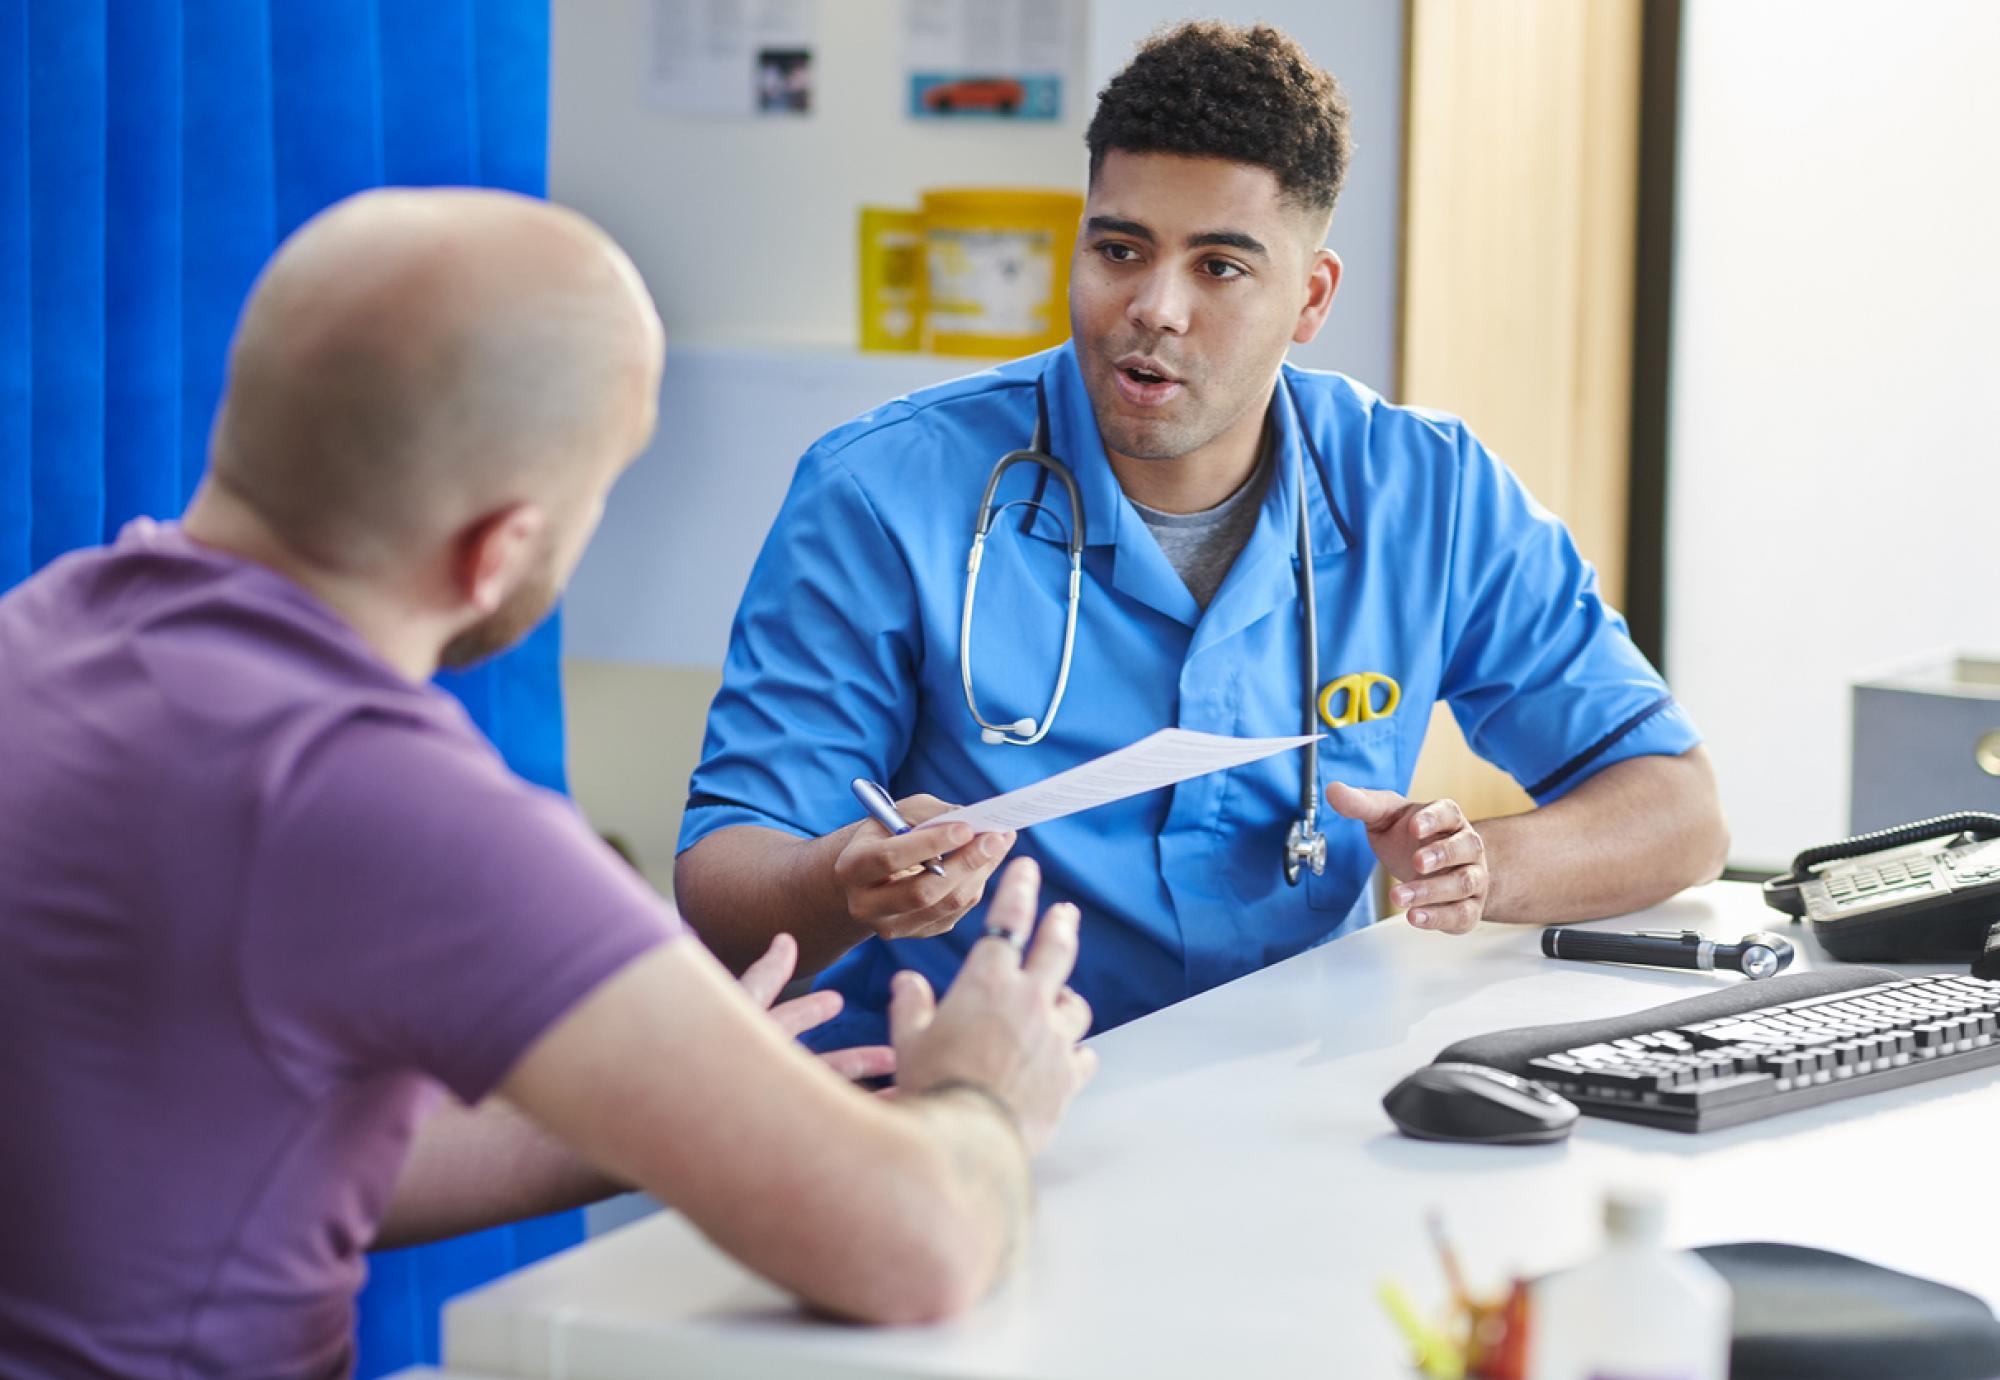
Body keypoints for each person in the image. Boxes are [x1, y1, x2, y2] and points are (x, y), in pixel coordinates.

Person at [0, 188, 1095, 1380]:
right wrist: (983, 1096)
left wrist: (664, 1109)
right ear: (501, 550)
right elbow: (920, 1248)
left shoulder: (40, 643)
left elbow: (228, 1143)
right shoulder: (396, 808)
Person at [674, 21, 1731, 1051]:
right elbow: (722, 885)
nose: (1152, 308)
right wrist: (843, 881)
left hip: (1286, 1102)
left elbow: (1675, 812)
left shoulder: (1427, 493)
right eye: (1119, 249)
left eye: (1218, 267)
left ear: (1308, 297)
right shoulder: (881, 493)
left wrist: (1481, 865)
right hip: (956, 1108)